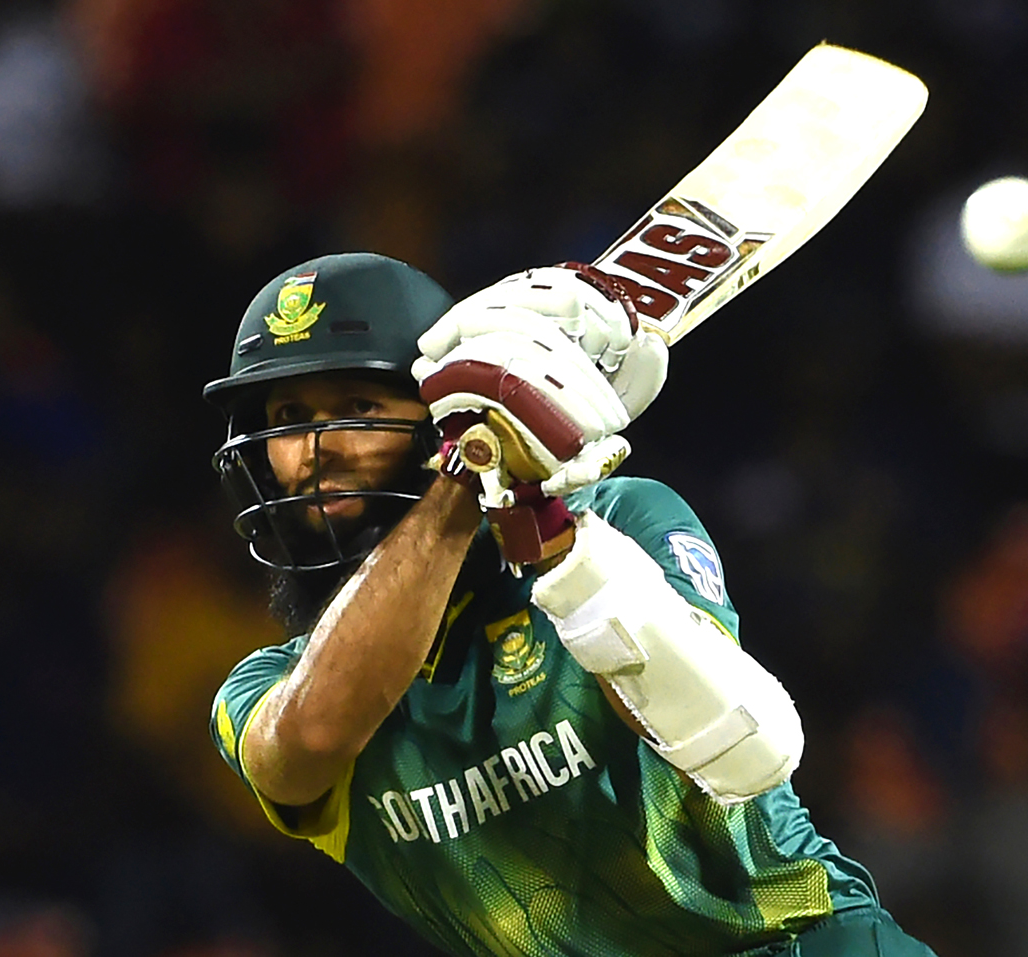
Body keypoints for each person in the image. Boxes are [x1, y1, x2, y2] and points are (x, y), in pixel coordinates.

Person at [206, 252, 937, 956]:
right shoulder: (263, 689)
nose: (316, 448)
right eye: (289, 416)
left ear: (437, 415)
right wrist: (468, 475)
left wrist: (556, 544)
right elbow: (305, 748)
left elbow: (736, 748)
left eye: (360, 408)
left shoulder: (615, 520)